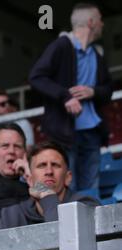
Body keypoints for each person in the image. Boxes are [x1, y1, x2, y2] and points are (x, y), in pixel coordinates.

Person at [29, 3, 113, 191]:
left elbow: (108, 88)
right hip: (65, 132)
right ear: (91, 22)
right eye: (100, 20)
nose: (102, 24)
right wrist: (65, 96)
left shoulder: (97, 54)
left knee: (91, 189)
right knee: (68, 188)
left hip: (92, 131)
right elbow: (36, 76)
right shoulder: (61, 45)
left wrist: (94, 91)